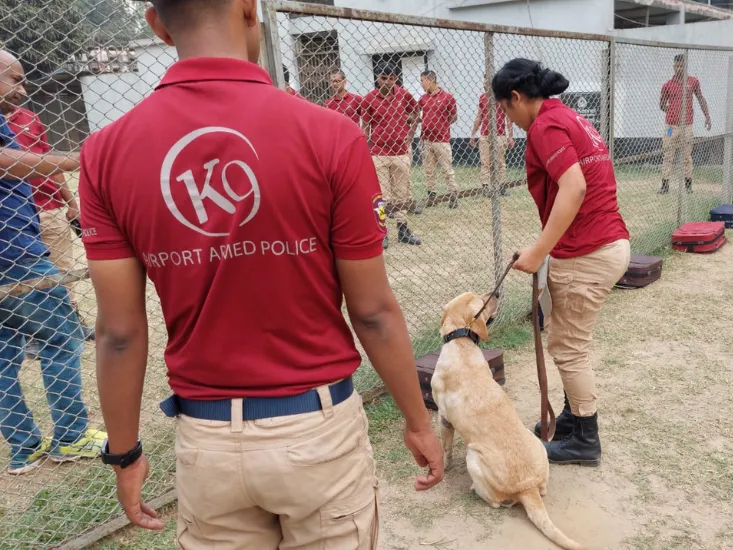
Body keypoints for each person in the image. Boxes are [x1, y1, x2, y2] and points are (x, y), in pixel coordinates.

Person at [78, 1, 444, 546]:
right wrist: (417, 420)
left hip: (205, 443)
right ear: (251, 11)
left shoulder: (103, 153)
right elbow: (371, 311)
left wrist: (125, 453)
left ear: (156, 23)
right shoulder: (332, 134)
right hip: (318, 431)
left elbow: (118, 332)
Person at [494, 58, 630, 467]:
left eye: (504, 108)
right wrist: (541, 247)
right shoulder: (565, 116)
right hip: (605, 242)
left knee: (569, 348)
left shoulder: (545, 126)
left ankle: (584, 440)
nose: (507, 118)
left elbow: (574, 187)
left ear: (516, 97)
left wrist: (539, 252)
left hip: (588, 251)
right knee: (567, 340)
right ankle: (572, 419)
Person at [0, 50, 105, 475]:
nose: (23, 88)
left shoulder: (9, 118)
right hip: (15, 253)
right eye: (14, 78)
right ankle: (71, 436)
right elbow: (9, 163)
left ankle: (23, 447)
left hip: (12, 249)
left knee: (4, 355)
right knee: (62, 337)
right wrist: (82, 158)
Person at [4, 102, 95, 342]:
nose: (22, 90)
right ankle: (32, 334)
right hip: (13, 219)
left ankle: (70, 323)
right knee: (20, 277)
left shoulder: (30, 118)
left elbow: (50, 162)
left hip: (48, 207)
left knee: (62, 270)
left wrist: (70, 202)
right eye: (14, 80)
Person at [361, 65, 422, 249]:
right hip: (378, 154)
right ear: (378, 78)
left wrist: (410, 130)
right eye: (384, 78)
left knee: (401, 194)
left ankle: (403, 229)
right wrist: (364, 149)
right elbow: (365, 126)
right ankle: (382, 232)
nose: (388, 82)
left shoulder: (403, 95)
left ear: (396, 78)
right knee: (382, 196)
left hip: (400, 152)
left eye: (391, 78)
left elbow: (416, 111)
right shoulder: (369, 99)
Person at [658, 53, 711, 195]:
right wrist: (671, 111)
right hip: (671, 127)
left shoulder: (693, 82)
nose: (678, 69)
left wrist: (707, 116)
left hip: (687, 126)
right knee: (668, 155)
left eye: (681, 66)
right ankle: (665, 185)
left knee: (687, 156)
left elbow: (700, 98)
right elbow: (662, 105)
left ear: (685, 66)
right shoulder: (667, 85)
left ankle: (688, 185)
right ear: (673, 66)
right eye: (676, 66)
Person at [418, 70, 458, 209]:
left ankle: (453, 194)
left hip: (441, 139)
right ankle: (432, 195)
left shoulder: (447, 97)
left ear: (430, 80)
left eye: (422, 81)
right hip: (426, 139)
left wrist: (442, 125)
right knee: (429, 169)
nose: (421, 84)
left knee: (446, 168)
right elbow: (419, 116)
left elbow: (454, 116)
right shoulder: (422, 99)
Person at [471, 90, 514, 195]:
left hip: (499, 134)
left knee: (500, 162)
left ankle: (501, 186)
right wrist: (473, 133)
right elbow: (479, 116)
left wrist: (510, 136)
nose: (485, 84)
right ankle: (485, 187)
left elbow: (508, 118)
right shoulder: (483, 97)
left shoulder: (503, 97)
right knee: (485, 162)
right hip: (485, 134)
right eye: (485, 81)